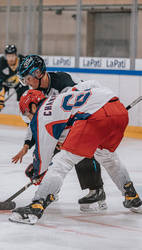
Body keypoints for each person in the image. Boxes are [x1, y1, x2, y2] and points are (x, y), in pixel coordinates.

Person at [9, 87, 142, 225]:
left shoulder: (42, 114)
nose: (30, 119)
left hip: (95, 117)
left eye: (27, 114)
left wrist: (37, 174)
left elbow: (43, 156)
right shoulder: (58, 100)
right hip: (118, 111)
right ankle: (131, 195)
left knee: (61, 162)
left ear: (33, 106)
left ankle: (36, 206)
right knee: (106, 156)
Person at [12, 55, 106, 212]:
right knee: (35, 168)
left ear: (39, 73)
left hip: (83, 119)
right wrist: (27, 145)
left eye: (28, 78)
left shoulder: (63, 82)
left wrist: (67, 138)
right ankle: (51, 191)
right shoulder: (34, 93)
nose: (27, 83)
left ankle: (97, 191)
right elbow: (36, 124)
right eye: (25, 80)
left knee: (81, 151)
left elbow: (76, 112)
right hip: (60, 128)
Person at [0, 44, 29, 134]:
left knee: (25, 102)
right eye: (8, 56)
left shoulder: (22, 61)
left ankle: (30, 125)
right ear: (5, 56)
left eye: (12, 56)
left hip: (20, 83)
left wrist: (26, 80)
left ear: (16, 55)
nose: (11, 58)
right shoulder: (0, 63)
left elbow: (29, 73)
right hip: (4, 84)